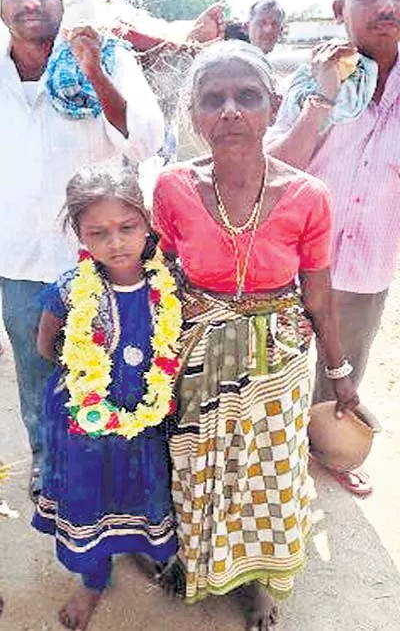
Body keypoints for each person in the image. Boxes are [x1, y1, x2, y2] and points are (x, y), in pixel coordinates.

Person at [153, 40, 358, 630]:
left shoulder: (307, 195)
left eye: (246, 96)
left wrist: (339, 376)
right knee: (195, 467)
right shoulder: (170, 187)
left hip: (280, 357)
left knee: (268, 474)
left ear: (273, 105)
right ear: (193, 115)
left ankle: (260, 584)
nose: (230, 111)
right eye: (212, 99)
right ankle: (194, 557)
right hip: (195, 349)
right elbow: (162, 276)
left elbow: (318, 295)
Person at [0, 0, 164, 502]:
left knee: (121, 376)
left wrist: (92, 68)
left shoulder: (105, 52)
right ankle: (52, 470)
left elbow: (146, 139)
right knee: (38, 378)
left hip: (103, 260)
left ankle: (121, 483)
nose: (30, 1)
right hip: (19, 261)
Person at [32, 156, 180, 631]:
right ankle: (93, 578)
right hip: (84, 423)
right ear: (80, 235)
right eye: (98, 232)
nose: (115, 242)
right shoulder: (72, 288)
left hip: (147, 418)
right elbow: (44, 343)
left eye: (127, 227)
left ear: (147, 224)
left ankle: (142, 549)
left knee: (142, 487)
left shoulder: (169, 283)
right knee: (89, 496)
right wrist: (89, 379)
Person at [265, 0, 400, 497]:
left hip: (370, 257)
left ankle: (328, 447)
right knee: (274, 360)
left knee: (345, 364)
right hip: (296, 260)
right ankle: (272, 453)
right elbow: (280, 163)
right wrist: (323, 96)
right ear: (341, 10)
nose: (387, 5)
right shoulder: (316, 75)